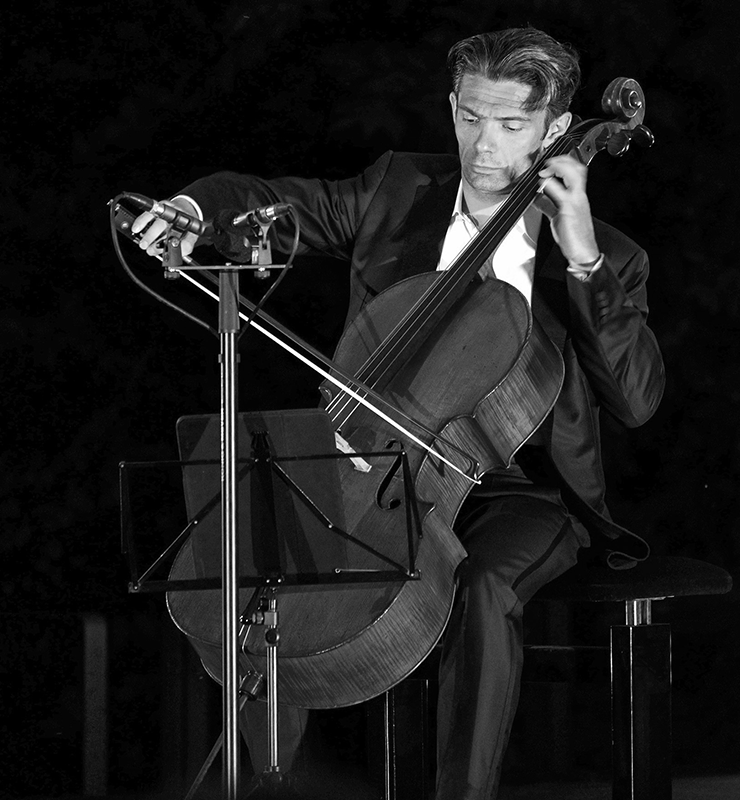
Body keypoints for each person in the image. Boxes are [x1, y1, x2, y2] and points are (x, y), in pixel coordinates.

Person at [134, 26, 664, 800]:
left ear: (555, 129)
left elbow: (637, 400)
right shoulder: (397, 189)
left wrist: (580, 255)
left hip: (523, 489)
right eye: (470, 118)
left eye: (511, 124)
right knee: (265, 558)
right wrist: (192, 208)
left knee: (484, 586)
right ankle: (268, 784)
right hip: (377, 465)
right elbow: (277, 204)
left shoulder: (607, 253)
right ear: (452, 108)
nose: (485, 145)